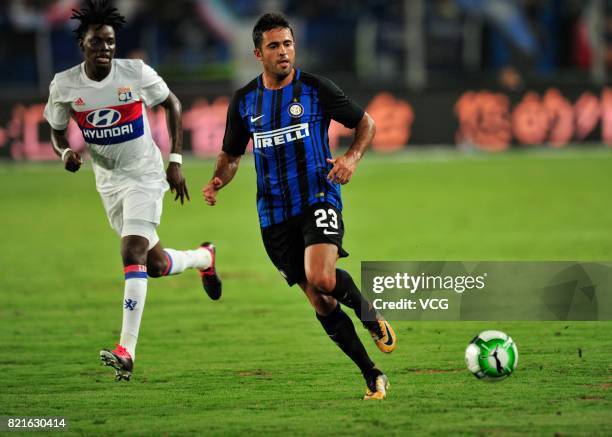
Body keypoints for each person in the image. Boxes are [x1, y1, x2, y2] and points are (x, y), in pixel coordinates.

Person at [203, 12, 397, 400]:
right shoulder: (244, 102)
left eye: (288, 44)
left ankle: (369, 315)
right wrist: (218, 180)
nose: (284, 52)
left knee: (324, 278)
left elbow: (366, 124)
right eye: (274, 46)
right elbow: (231, 154)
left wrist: (351, 158)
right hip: (273, 216)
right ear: (258, 53)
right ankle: (371, 374)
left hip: (318, 196)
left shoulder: (315, 89)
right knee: (321, 301)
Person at [43, 0, 221, 381]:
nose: (105, 48)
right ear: (83, 45)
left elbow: (172, 104)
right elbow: (57, 131)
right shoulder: (64, 85)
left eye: (110, 42)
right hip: (108, 182)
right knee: (153, 265)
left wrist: (175, 159)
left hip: (144, 173)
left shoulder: (134, 73)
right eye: (97, 42)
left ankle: (127, 349)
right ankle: (204, 258)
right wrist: (63, 154)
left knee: (131, 250)